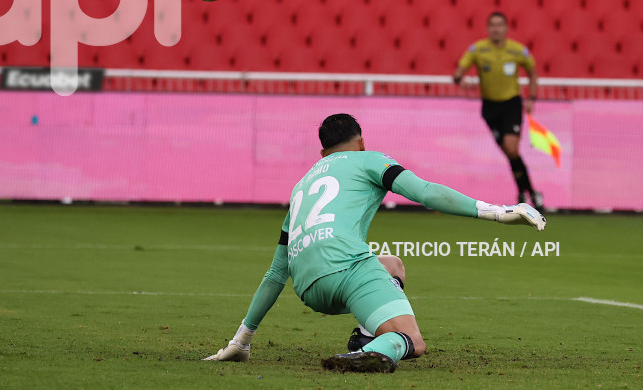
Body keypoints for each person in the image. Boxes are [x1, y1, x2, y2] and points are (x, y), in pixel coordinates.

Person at [204, 114, 546, 373]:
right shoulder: (369, 159)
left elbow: (276, 273)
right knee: (412, 341)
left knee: (392, 265)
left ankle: (366, 337)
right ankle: (366, 353)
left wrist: (241, 341)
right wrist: (498, 213)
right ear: (362, 142)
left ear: (322, 153)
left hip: (309, 288)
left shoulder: (299, 187)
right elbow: (425, 192)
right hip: (347, 271)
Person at [453, 12, 544, 210]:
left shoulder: (517, 50)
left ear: (506, 28)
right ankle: (528, 192)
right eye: (492, 25)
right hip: (490, 109)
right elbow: (458, 73)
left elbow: (533, 72)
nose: (496, 29)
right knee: (511, 154)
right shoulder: (478, 49)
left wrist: (531, 98)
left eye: (500, 25)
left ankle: (528, 193)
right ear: (488, 28)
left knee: (512, 149)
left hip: (511, 104)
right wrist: (462, 81)